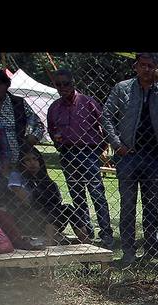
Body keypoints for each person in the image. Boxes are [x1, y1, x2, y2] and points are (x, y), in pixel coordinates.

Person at [102, 52, 158, 266]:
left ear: (156, 68)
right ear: (135, 66)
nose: (146, 69)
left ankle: (151, 249)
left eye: (151, 66)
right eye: (142, 65)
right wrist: (117, 144)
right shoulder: (123, 88)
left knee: (152, 206)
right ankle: (128, 252)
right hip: (128, 157)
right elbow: (106, 116)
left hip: (154, 157)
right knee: (128, 206)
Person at [47, 69, 115, 248]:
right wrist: (58, 143)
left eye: (66, 84)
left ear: (73, 83)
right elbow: (51, 129)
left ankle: (106, 233)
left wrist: (100, 147)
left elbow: (104, 124)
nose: (63, 88)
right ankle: (87, 232)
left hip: (89, 152)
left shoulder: (88, 102)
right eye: (58, 84)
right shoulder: (54, 107)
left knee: (97, 194)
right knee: (77, 195)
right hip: (67, 153)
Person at [12, 146, 88, 244]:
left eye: (35, 159)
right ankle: (50, 241)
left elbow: (57, 201)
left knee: (67, 208)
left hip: (51, 217)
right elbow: (27, 202)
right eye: (27, 160)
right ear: (21, 163)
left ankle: (85, 239)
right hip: (28, 218)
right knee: (50, 210)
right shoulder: (19, 177)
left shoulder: (45, 180)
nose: (32, 163)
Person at [0, 68, 45, 162]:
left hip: (18, 156)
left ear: (7, 84)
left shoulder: (18, 103)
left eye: (0, 83)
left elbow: (37, 123)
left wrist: (33, 137)